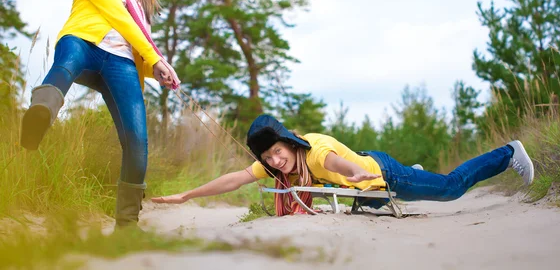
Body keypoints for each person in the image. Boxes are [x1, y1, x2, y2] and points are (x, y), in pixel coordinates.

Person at [20, 0, 180, 228]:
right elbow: (117, 18)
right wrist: (156, 56)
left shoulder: (141, 3)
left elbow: (133, 47)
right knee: (67, 62)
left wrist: (155, 69)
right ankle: (39, 115)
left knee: (137, 140)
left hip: (120, 65)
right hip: (84, 44)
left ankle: (127, 224)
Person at [151, 114, 534, 216]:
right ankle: (414, 173)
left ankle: (507, 153)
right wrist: (186, 195)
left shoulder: (313, 150)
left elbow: (332, 161)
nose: (274, 161)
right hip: (364, 189)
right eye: (267, 158)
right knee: (362, 204)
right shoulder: (279, 165)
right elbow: (233, 179)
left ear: (289, 141)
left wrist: (356, 173)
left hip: (382, 176)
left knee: (450, 189)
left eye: (277, 152)